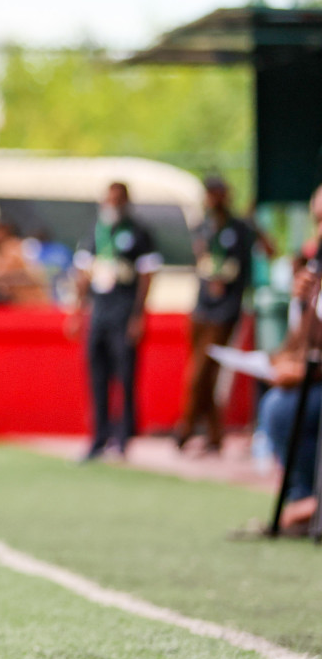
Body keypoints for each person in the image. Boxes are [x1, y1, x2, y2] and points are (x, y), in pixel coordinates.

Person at [71, 181, 160, 460]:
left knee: (125, 374)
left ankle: (123, 437)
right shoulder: (96, 231)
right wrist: (77, 310)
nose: (112, 204)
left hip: (124, 310)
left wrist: (138, 316)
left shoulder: (138, 232)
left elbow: (147, 275)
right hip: (100, 311)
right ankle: (99, 436)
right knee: (97, 374)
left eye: (117, 199)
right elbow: (83, 272)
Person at [173, 175, 259, 454]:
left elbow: (257, 257)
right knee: (203, 373)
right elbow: (200, 260)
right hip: (202, 306)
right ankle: (214, 434)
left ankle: (184, 428)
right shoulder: (202, 228)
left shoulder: (241, 228)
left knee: (200, 372)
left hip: (225, 310)